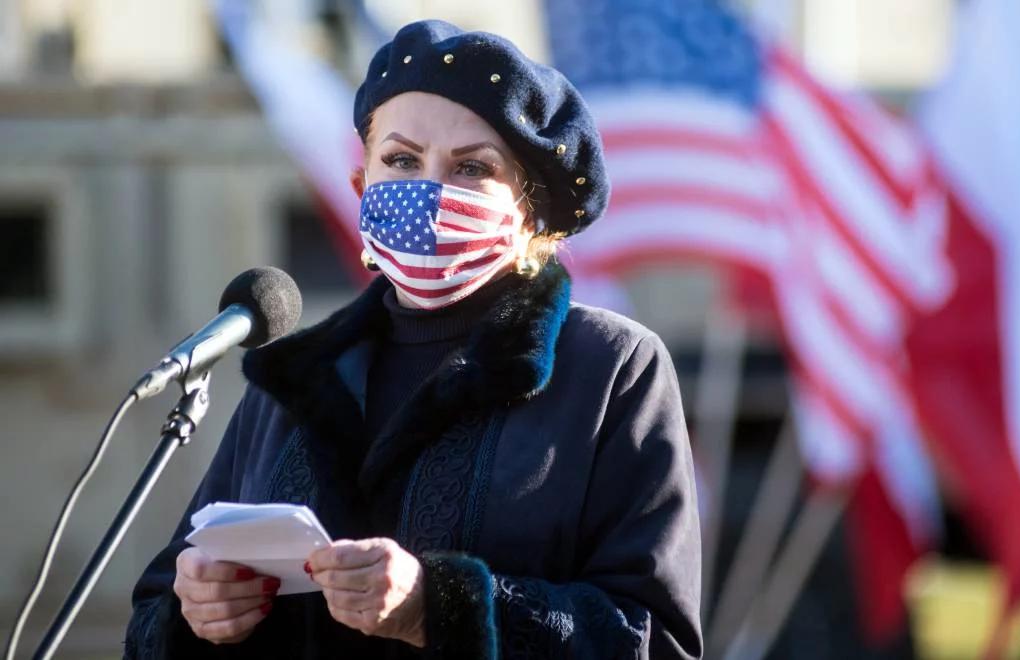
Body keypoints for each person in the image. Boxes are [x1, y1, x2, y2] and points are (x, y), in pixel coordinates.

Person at [123, 19, 702, 660]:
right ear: (361, 186)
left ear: (531, 214)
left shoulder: (613, 368)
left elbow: (652, 640)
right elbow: (156, 609)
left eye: (472, 167)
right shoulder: (293, 378)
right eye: (400, 160)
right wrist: (193, 614)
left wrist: (437, 607)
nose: (428, 190)